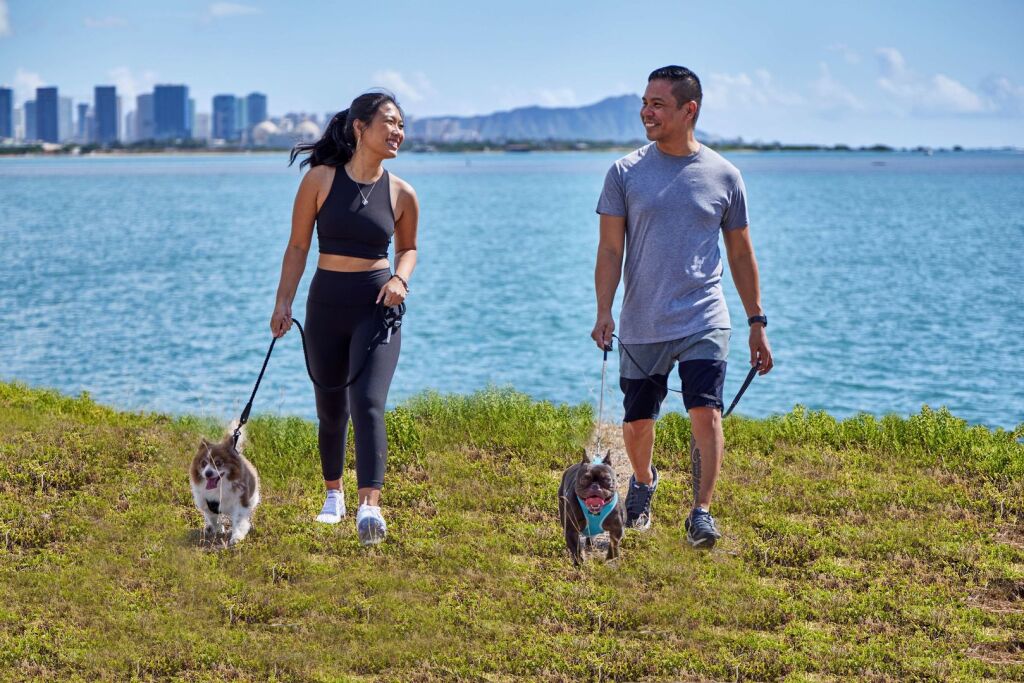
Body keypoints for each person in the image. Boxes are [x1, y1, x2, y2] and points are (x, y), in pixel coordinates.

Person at [591, 66, 773, 549]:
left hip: (704, 315)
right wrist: (604, 310)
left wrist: (756, 321)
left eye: (658, 104)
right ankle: (644, 481)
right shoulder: (625, 173)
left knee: (706, 413)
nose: (646, 112)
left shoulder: (724, 175)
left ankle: (701, 513)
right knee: (637, 423)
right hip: (643, 318)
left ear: (689, 110)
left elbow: (740, 253)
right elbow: (609, 249)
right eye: (644, 103)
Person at [270, 91, 419, 546]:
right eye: (389, 122)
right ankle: (333, 494)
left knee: (368, 402)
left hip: (376, 306)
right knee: (331, 409)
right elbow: (298, 246)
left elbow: (409, 249)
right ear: (360, 127)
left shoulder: (402, 193)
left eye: (401, 124)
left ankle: (369, 507)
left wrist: (401, 279)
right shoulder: (320, 180)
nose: (398, 132)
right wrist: (283, 303)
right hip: (326, 304)